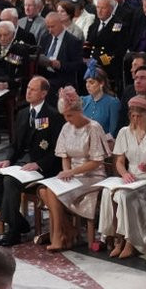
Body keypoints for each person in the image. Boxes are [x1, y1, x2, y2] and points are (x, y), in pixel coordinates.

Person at [0, 76, 63, 247]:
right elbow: (15, 144)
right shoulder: (22, 113)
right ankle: (20, 224)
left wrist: (38, 164)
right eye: (28, 88)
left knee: (10, 182)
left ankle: (14, 233)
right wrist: (7, 160)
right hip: (21, 165)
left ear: (43, 93)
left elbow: (57, 151)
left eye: (33, 89)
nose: (28, 92)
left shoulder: (53, 116)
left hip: (41, 167)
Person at [36, 86, 108, 251]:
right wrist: (66, 172)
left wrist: (72, 172)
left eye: (70, 115)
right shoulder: (66, 128)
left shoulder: (93, 128)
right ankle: (69, 230)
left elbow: (96, 161)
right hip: (73, 175)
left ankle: (58, 237)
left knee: (52, 192)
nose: (67, 119)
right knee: (43, 190)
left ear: (79, 112)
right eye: (65, 116)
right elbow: (64, 156)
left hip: (92, 176)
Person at [100, 96, 146, 259]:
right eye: (133, 115)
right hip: (130, 178)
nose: (136, 119)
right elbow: (119, 161)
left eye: (139, 115)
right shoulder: (125, 132)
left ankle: (130, 241)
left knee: (125, 196)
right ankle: (118, 239)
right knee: (108, 192)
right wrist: (125, 174)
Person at [80, 63, 120, 136]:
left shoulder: (113, 103)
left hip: (104, 144)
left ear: (101, 83)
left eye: (91, 82)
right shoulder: (83, 100)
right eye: (86, 82)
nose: (87, 85)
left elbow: (113, 132)